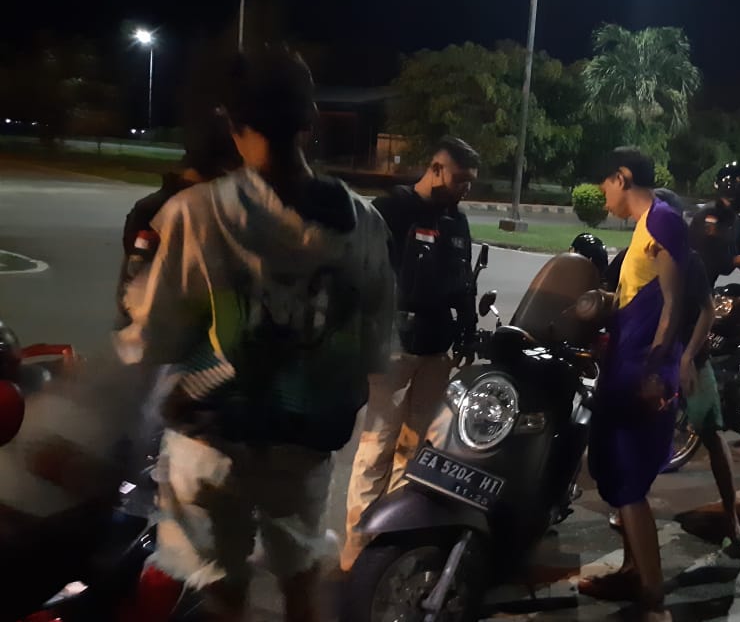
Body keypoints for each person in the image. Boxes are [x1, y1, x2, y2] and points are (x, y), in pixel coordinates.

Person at [117, 45, 395, 622]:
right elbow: (375, 346)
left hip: (211, 445)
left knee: (221, 592)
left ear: (233, 123)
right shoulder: (365, 224)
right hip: (305, 446)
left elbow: (148, 339)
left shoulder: (197, 214)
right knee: (301, 580)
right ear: (310, 119)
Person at [342, 136, 480, 571]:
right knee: (377, 446)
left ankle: (389, 543)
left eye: (470, 182)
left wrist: (469, 330)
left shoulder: (456, 221)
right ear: (435, 169)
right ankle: (355, 549)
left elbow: (465, 283)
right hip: (395, 348)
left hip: (437, 351)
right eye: (459, 180)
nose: (465, 189)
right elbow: (359, 277)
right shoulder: (392, 210)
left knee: (414, 448)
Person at [579, 148, 684, 622]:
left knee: (630, 482)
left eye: (605, 184)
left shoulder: (662, 220)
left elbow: (673, 305)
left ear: (621, 178)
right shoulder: (644, 228)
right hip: (624, 366)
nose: (603, 193)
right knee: (616, 474)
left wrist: (653, 371)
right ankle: (630, 571)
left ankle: (653, 599)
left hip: (642, 373)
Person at [659, 187, 740, 559]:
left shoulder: (690, 261)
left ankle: (732, 521)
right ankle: (627, 508)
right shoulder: (633, 256)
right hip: (647, 361)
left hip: (690, 361)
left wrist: (687, 358)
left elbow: (706, 311)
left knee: (711, 434)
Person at [114, 111, 240, 328]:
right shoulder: (211, 213)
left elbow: (128, 290)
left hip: (143, 332)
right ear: (226, 167)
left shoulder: (149, 208)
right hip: (181, 337)